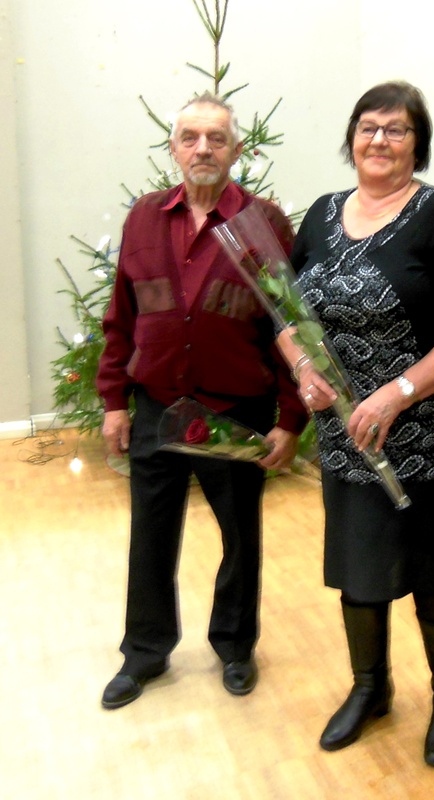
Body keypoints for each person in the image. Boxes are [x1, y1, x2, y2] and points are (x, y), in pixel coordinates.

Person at [278, 81, 434, 767]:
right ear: (351, 137)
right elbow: (284, 307)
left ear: (416, 144)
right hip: (345, 438)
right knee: (357, 566)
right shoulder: (321, 213)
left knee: (432, 574)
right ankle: (371, 688)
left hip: (422, 436)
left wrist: (397, 393)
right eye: (368, 127)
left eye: (396, 130)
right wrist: (301, 368)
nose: (379, 140)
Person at [97, 92, 308, 710]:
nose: (203, 149)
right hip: (157, 405)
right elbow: (121, 316)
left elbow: (290, 325)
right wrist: (114, 401)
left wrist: (291, 418)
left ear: (236, 149)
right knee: (150, 535)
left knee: (240, 535)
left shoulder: (265, 223)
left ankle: (236, 646)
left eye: (216, 138)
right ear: (173, 149)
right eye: (190, 137)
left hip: (236, 410)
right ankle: (145, 651)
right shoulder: (144, 218)